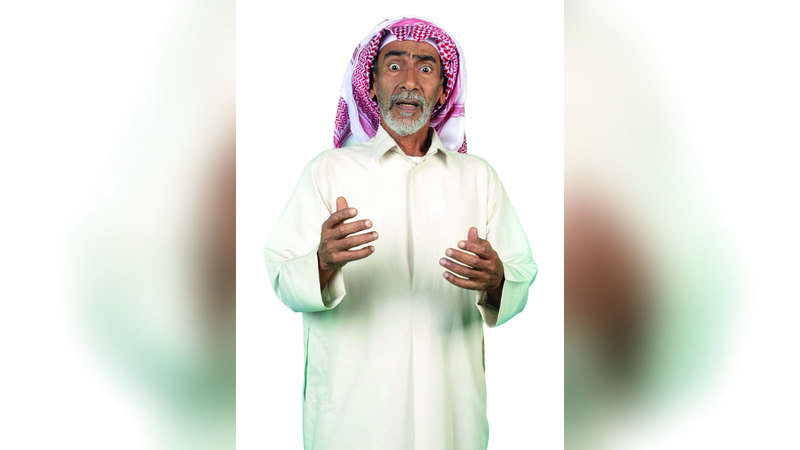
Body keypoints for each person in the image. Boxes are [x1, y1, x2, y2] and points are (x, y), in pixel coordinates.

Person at [264, 16, 537, 450]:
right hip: (353, 415)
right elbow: (281, 274)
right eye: (394, 66)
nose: (409, 81)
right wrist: (322, 261)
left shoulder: (478, 178)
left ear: (443, 91)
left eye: (426, 68)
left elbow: (521, 272)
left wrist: (497, 279)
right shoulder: (329, 171)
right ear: (372, 85)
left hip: (449, 413)